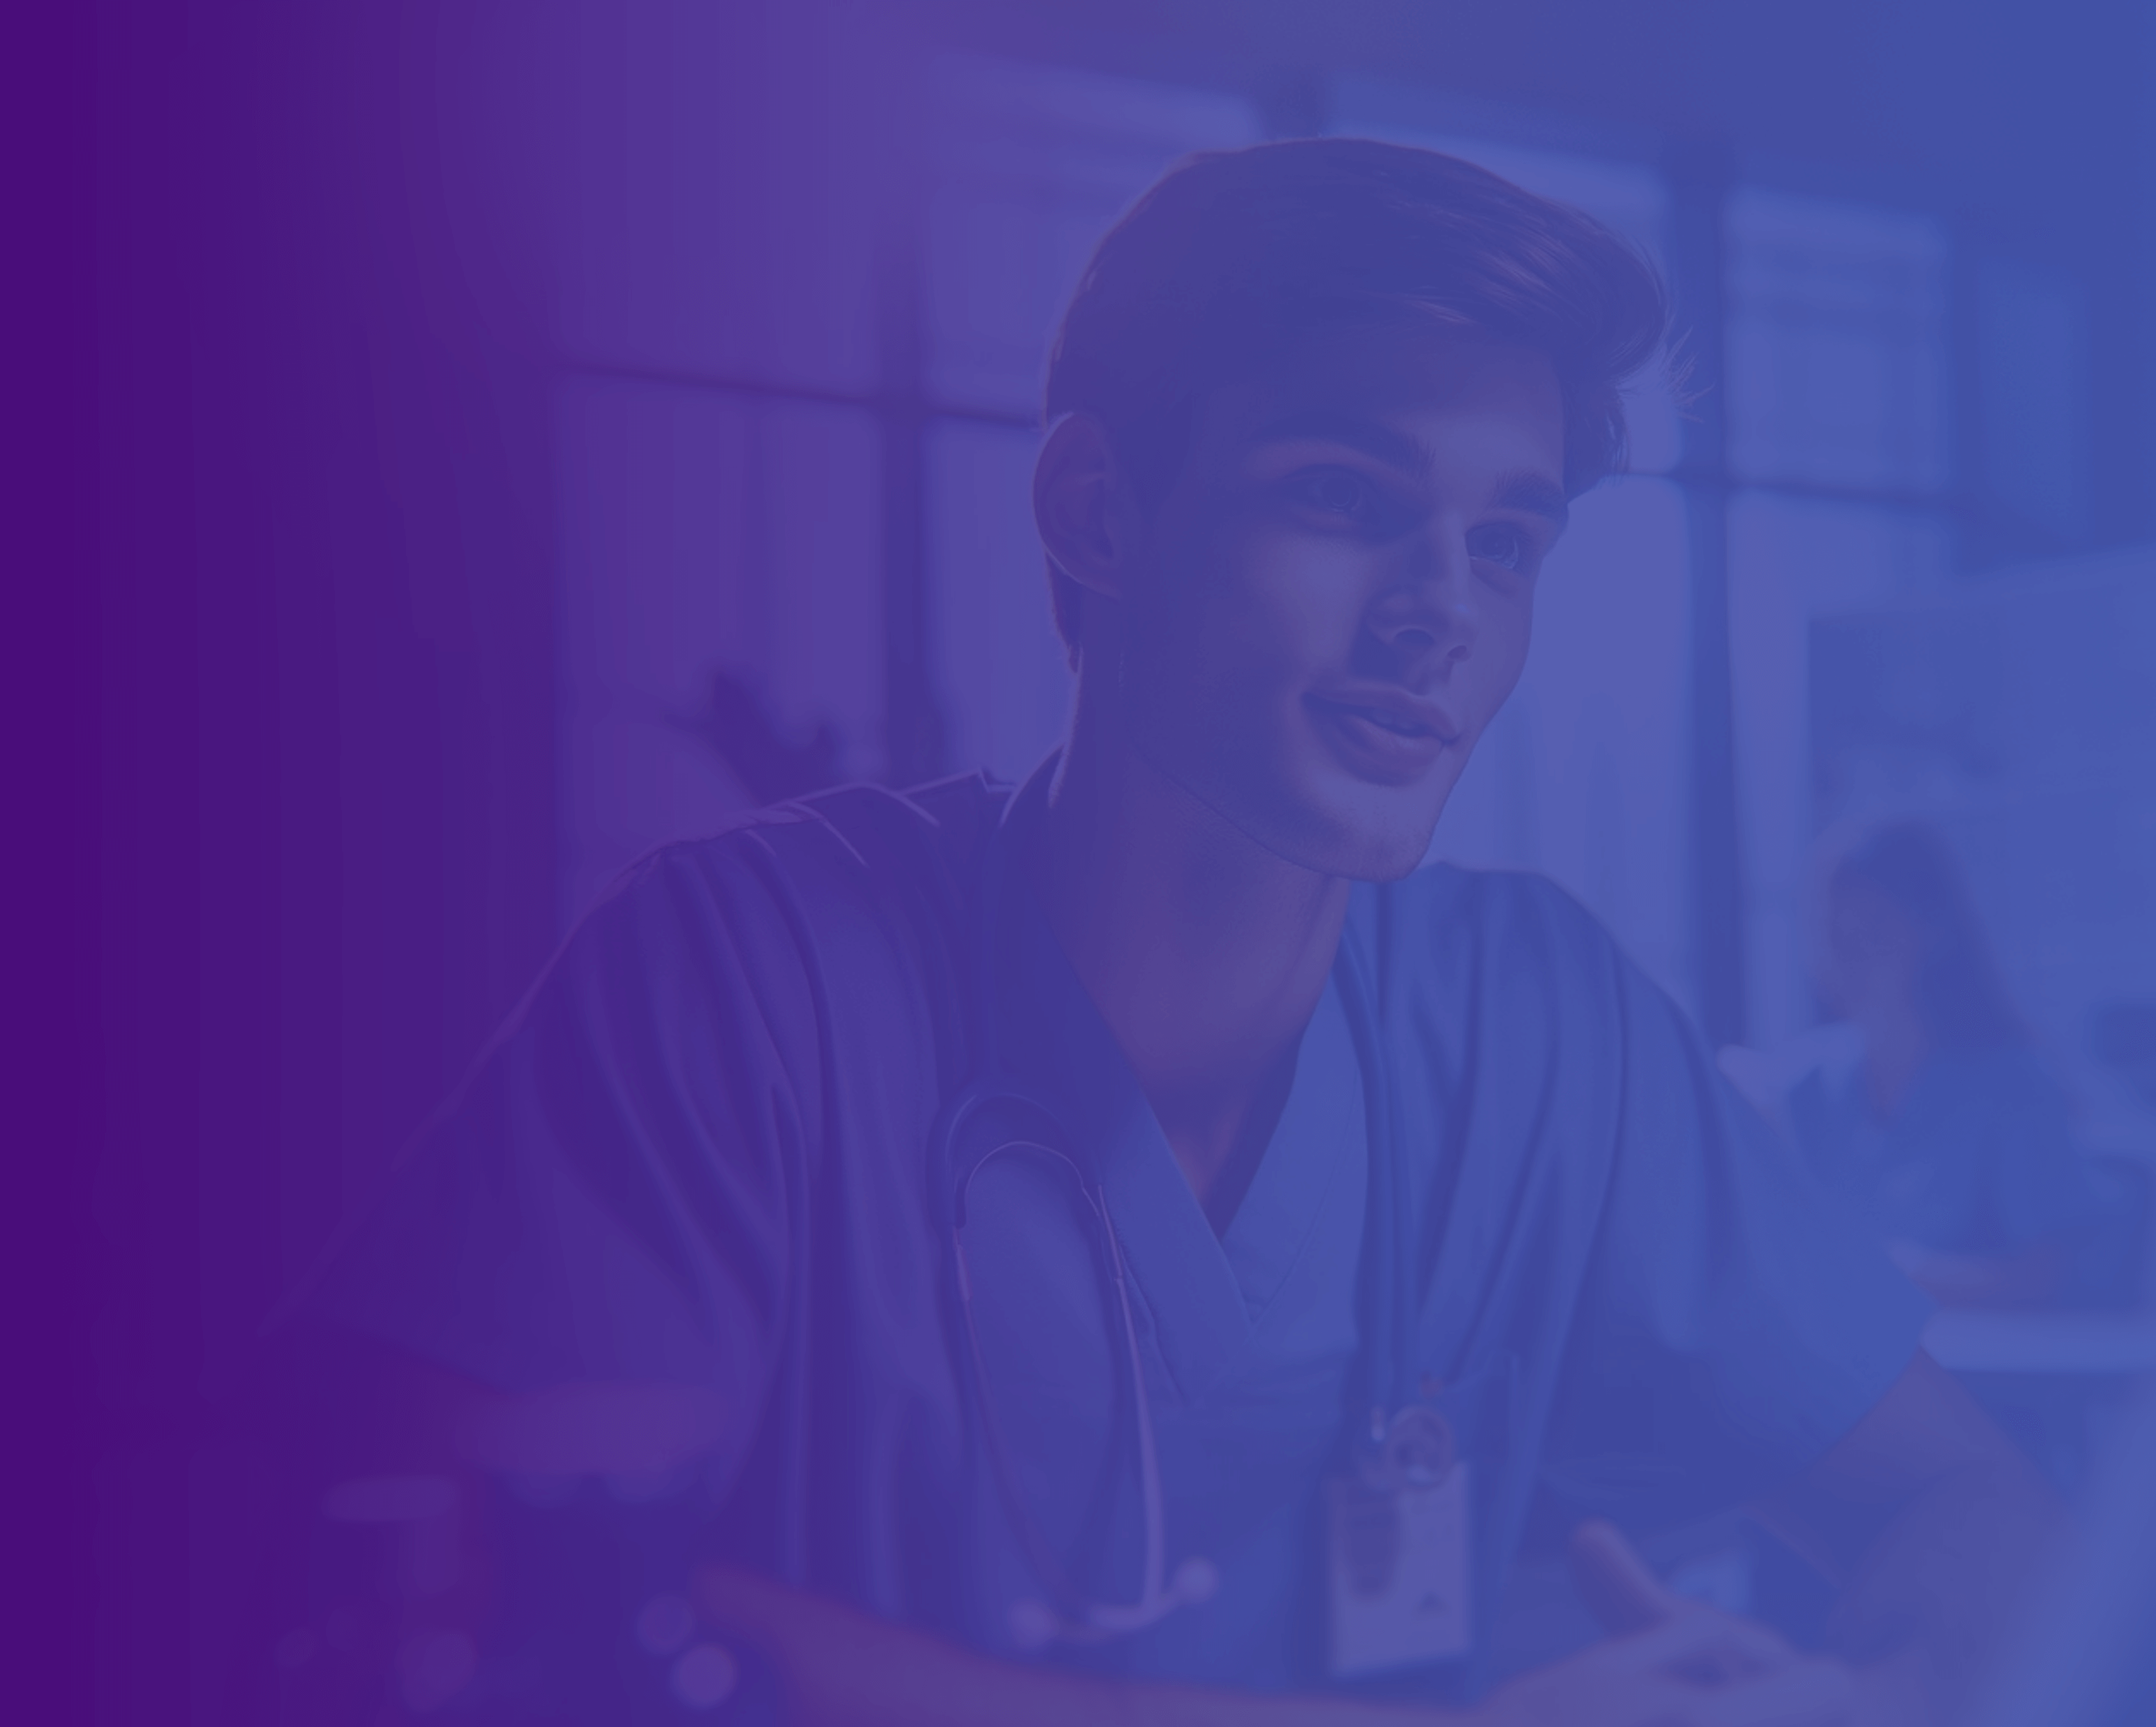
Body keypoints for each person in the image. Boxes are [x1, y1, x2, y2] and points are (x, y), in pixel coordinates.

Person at [281, 140, 2058, 1724]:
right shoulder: (749, 978)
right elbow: (468, 1573)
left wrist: (1878, 1686)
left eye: (1507, 539)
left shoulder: (1546, 1031)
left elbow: (1964, 1501)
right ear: (1096, 511)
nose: (1442, 611)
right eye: (1346, 499)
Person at [1783, 820, 2143, 1311]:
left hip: (1972, 1369)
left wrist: (1909, 1277)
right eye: (1832, 934)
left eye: (1873, 931)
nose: (1847, 958)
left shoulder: (2014, 1085)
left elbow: (2052, 1273)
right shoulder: (1805, 1082)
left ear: (1934, 931)